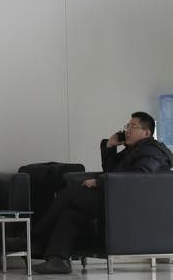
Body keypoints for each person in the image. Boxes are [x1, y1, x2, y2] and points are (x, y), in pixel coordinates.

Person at [32, 111, 173, 275]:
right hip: (115, 198)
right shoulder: (134, 150)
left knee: (69, 194)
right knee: (72, 213)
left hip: (131, 205)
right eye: (127, 126)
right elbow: (113, 171)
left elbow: (139, 178)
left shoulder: (152, 152)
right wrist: (109, 147)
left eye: (133, 127)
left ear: (147, 132)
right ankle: (58, 260)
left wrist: (100, 181)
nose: (127, 130)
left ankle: (33, 236)